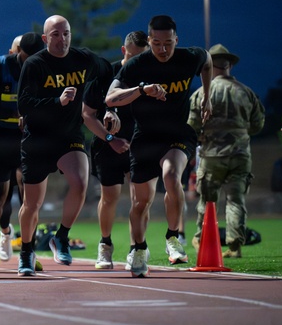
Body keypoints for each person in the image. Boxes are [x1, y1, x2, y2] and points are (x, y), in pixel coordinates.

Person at [106, 14, 212, 277]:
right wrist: (142, 90)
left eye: (168, 43)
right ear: (149, 40)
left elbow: (208, 62)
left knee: (171, 174)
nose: (162, 50)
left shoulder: (191, 57)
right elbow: (110, 98)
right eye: (156, 43)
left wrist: (207, 96)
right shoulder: (138, 65)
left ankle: (173, 237)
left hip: (178, 132)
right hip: (146, 136)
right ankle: (139, 248)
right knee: (141, 202)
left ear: (177, 39)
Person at [16, 15, 110, 276]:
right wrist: (57, 101)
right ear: (46, 39)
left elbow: (108, 73)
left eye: (66, 33)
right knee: (32, 204)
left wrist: (98, 105)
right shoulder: (35, 65)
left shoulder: (84, 59)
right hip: (38, 139)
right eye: (55, 35)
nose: (62, 39)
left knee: (81, 181)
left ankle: (62, 236)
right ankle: (26, 250)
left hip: (69, 136)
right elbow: (23, 105)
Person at [187, 44, 265, 258]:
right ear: (229, 64)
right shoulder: (246, 92)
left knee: (207, 202)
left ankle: (203, 241)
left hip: (212, 155)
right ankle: (235, 246)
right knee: (236, 201)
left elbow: (192, 127)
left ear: (209, 66)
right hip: (240, 155)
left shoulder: (201, 93)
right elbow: (257, 125)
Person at [0, 32, 44, 270]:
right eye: (26, 57)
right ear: (16, 52)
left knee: (30, 197)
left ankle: (29, 250)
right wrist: (15, 112)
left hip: (28, 137)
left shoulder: (44, 68)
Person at [81, 30, 146, 269]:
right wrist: (110, 137)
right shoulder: (105, 74)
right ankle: (105, 246)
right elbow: (87, 115)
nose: (138, 62)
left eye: (143, 57)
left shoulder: (150, 80)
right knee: (110, 197)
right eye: (133, 56)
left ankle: (136, 250)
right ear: (123, 51)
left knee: (140, 199)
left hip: (139, 143)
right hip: (108, 143)